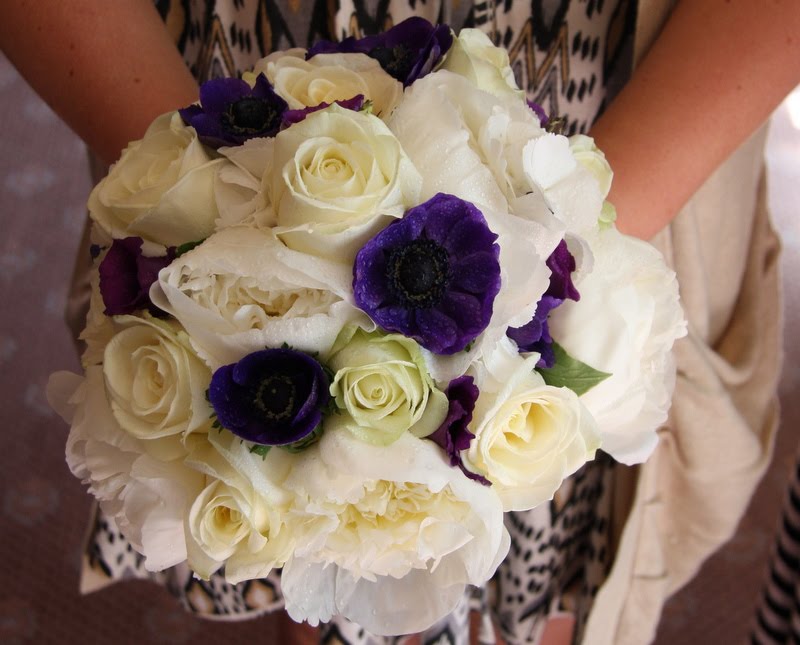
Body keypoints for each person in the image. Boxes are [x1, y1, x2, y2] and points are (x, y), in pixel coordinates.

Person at [2, 1, 798, 643]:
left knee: (540, 547)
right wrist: (211, 208)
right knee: (300, 531)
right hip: (220, 105)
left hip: (619, 133)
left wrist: (572, 247)